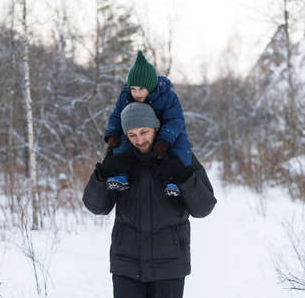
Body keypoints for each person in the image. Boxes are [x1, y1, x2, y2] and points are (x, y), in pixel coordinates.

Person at [83, 102, 217, 298]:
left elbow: (203, 208)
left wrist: (183, 176)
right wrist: (103, 174)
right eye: (132, 135)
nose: (139, 140)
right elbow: (96, 206)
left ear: (156, 128)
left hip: (169, 265)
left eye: (144, 132)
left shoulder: (180, 156)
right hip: (127, 265)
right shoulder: (120, 157)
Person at [104, 51, 192, 197]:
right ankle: (122, 175)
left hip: (165, 133)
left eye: (141, 89)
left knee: (180, 148)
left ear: (151, 86)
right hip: (138, 132)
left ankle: (173, 180)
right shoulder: (126, 97)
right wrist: (113, 133)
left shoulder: (167, 97)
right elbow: (116, 115)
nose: (136, 93)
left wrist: (164, 140)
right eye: (133, 88)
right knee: (123, 145)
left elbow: (175, 120)